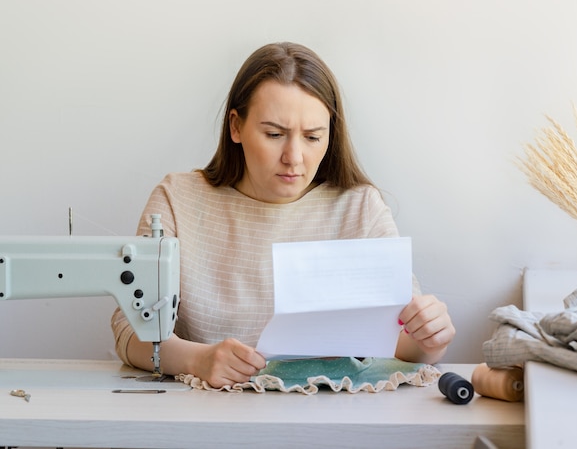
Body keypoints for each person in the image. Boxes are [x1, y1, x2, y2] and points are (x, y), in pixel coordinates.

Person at [111, 42, 455, 388]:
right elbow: (129, 329)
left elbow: (402, 344)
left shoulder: (359, 208)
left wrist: (430, 340)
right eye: (274, 134)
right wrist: (197, 359)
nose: (294, 157)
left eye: (312, 137)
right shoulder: (177, 200)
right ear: (236, 127)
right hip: (202, 417)